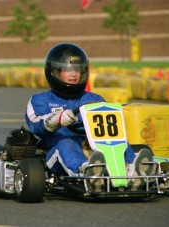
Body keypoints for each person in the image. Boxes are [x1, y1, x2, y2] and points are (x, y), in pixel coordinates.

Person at [25, 42, 136, 178]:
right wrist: (57, 118)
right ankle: (85, 172)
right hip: (57, 154)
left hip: (93, 150)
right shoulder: (40, 100)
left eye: (77, 69)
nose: (74, 74)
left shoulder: (94, 99)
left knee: (119, 141)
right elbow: (36, 125)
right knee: (66, 144)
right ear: (54, 71)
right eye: (67, 69)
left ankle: (134, 168)